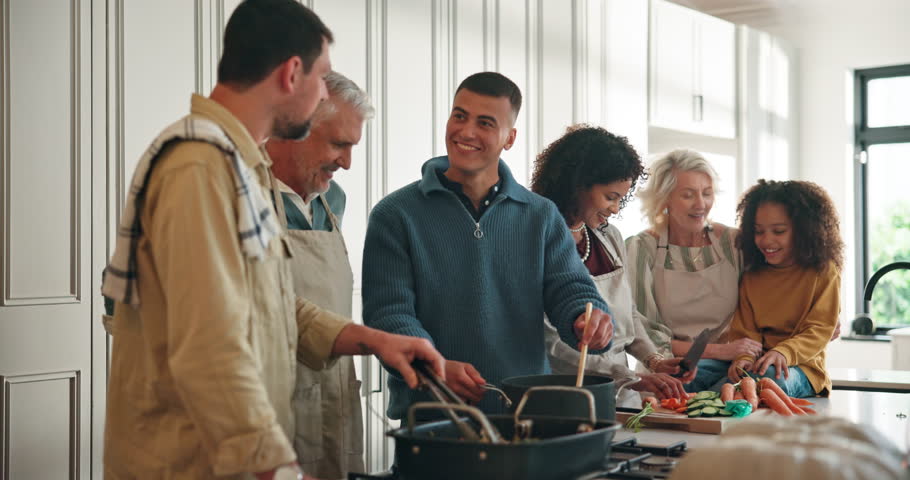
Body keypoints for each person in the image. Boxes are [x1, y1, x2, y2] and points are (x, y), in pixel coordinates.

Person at [100, 2, 444, 479]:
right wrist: (272, 465)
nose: (324, 91)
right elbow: (209, 346)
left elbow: (271, 304)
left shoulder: (240, 169)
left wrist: (372, 339)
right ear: (291, 73)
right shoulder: (201, 167)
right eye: (322, 77)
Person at [362, 72, 614, 420]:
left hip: (525, 416)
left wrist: (587, 320)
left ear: (509, 138)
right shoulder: (395, 215)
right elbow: (389, 313)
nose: (466, 132)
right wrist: (433, 367)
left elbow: (570, 289)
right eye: (459, 115)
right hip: (433, 418)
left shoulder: (541, 216)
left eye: (485, 123)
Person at [530, 125, 696, 406]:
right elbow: (551, 342)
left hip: (622, 394)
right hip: (570, 394)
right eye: (610, 197)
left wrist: (653, 360)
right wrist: (630, 377)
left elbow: (627, 313)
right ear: (576, 185)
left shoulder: (610, 237)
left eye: (621, 198)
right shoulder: (535, 240)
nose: (616, 209)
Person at [264, 71, 372, 480]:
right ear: (293, 129)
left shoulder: (333, 199)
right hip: (272, 402)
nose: (346, 162)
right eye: (339, 143)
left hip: (334, 397)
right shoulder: (240, 194)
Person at [625, 149, 760, 392]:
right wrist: (721, 350)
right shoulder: (641, 249)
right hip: (667, 376)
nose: (701, 204)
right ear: (664, 198)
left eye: (707, 193)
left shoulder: (733, 243)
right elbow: (645, 333)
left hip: (727, 372)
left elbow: (774, 287)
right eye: (688, 195)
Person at [725, 180, 843, 397]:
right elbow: (746, 331)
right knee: (698, 372)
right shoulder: (752, 276)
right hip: (757, 366)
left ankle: (718, 402)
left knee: (770, 377)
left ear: (804, 231)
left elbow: (819, 329)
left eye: (778, 231)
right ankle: (723, 398)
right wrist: (744, 358)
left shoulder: (824, 272)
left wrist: (783, 352)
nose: (766, 240)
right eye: (758, 231)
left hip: (801, 369)